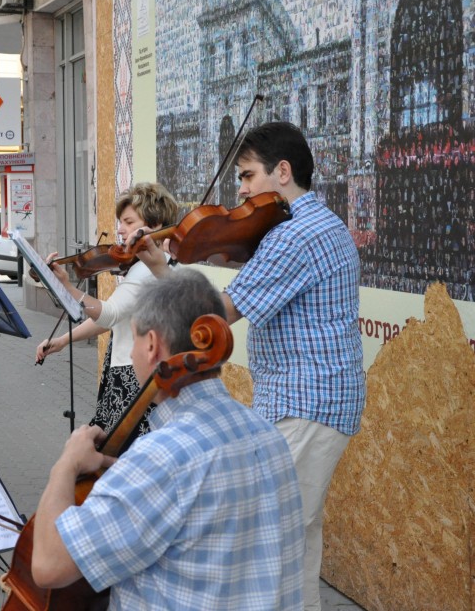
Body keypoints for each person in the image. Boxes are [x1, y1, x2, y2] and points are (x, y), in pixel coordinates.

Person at [134, 121, 365, 611]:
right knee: (296, 540)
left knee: (271, 541)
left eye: (247, 175)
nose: (240, 191)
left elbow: (221, 311)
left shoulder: (295, 236)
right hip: (317, 401)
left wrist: (162, 271)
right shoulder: (322, 223)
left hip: (305, 402)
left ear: (283, 172)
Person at [29, 268, 305, 610]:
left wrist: (67, 463)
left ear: (152, 345)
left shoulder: (162, 457)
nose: (129, 356)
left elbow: (47, 566)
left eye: (132, 341)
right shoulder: (268, 436)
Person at [36, 182, 179, 442]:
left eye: (128, 222)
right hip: (127, 372)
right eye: (120, 222)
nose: (120, 229)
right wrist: (63, 340)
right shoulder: (145, 266)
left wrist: (68, 286)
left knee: (116, 454)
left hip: (134, 380)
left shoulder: (146, 270)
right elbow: (113, 321)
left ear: (155, 225)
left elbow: (109, 313)